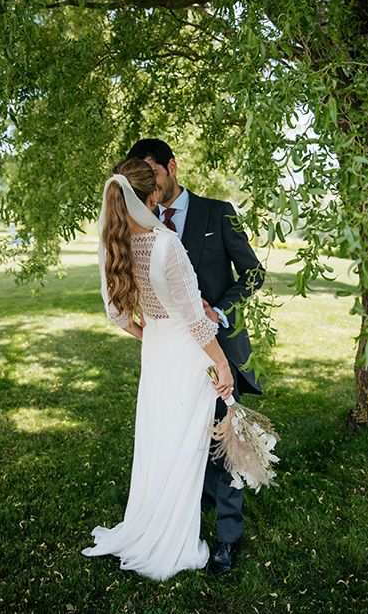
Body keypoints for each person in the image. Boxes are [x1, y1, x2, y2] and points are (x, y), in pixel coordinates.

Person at [81, 158, 234, 581]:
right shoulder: (165, 243)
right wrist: (222, 365)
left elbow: (117, 316)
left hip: (157, 352)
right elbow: (195, 320)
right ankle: (173, 543)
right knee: (182, 449)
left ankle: (148, 527)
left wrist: (149, 336)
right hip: (186, 354)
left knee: (157, 443)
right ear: (151, 196)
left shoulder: (114, 243)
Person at [126, 139, 265, 578]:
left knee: (226, 445)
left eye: (155, 173)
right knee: (187, 438)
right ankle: (187, 506)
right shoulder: (141, 227)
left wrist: (220, 310)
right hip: (173, 360)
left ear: (173, 166)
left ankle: (226, 538)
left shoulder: (217, 211)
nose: (151, 184)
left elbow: (255, 273)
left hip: (217, 346)